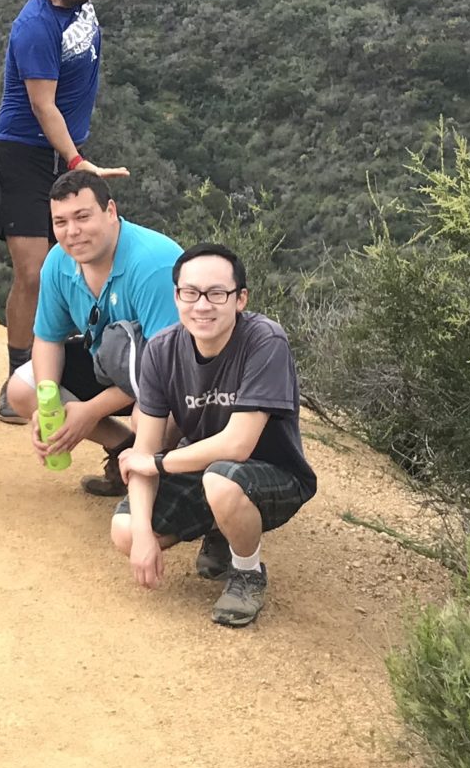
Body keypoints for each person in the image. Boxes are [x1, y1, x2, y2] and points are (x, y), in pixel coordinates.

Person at [0, 0, 151, 419]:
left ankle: (68, 363)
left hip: (65, 151)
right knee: (35, 269)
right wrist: (78, 163)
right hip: (27, 153)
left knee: (81, 256)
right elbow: (43, 108)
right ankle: (18, 380)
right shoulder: (35, 25)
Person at [110, 243, 318, 628]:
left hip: (275, 473)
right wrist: (141, 535)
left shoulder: (264, 341)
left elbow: (237, 445)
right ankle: (220, 528)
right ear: (176, 296)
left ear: (240, 299)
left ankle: (247, 572)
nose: (202, 305)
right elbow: (145, 446)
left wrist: (157, 463)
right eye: (190, 293)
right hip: (207, 470)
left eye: (216, 294)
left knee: (221, 479)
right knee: (125, 529)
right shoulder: (162, 350)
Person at [1, 171, 183, 497]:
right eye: (60, 222)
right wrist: (47, 405)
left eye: (83, 217)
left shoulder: (153, 264)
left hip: (171, 377)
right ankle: (123, 449)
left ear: (110, 211)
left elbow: (166, 370)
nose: (72, 232)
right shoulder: (58, 262)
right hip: (109, 361)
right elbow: (48, 339)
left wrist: (91, 411)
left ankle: (162, 475)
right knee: (23, 388)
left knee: (149, 419)